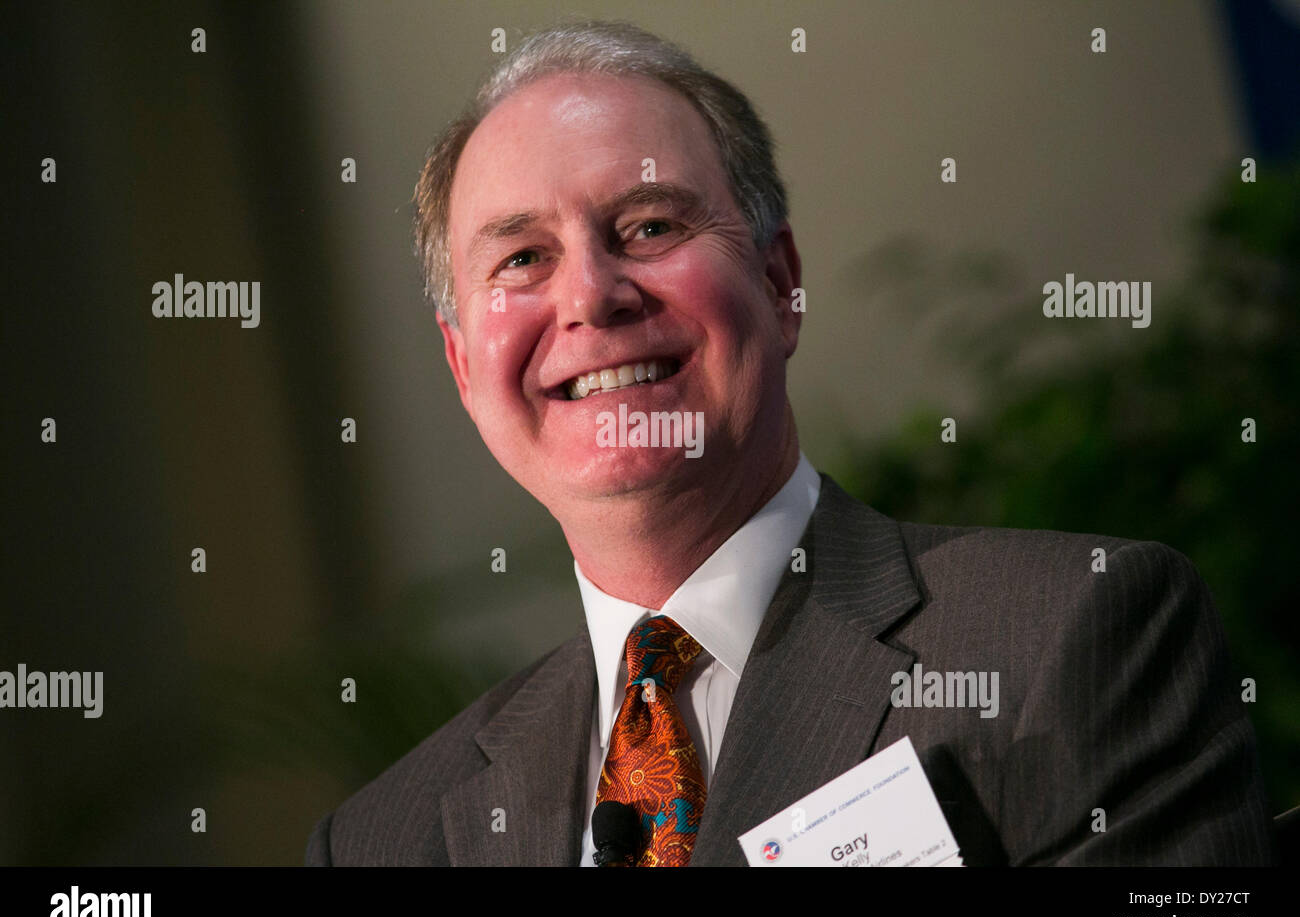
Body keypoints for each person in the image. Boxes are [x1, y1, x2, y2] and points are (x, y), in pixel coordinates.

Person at [305, 19, 1275, 866]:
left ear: (779, 284)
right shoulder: (383, 841)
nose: (590, 294)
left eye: (647, 226)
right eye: (521, 257)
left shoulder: (1077, 638)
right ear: (465, 367)